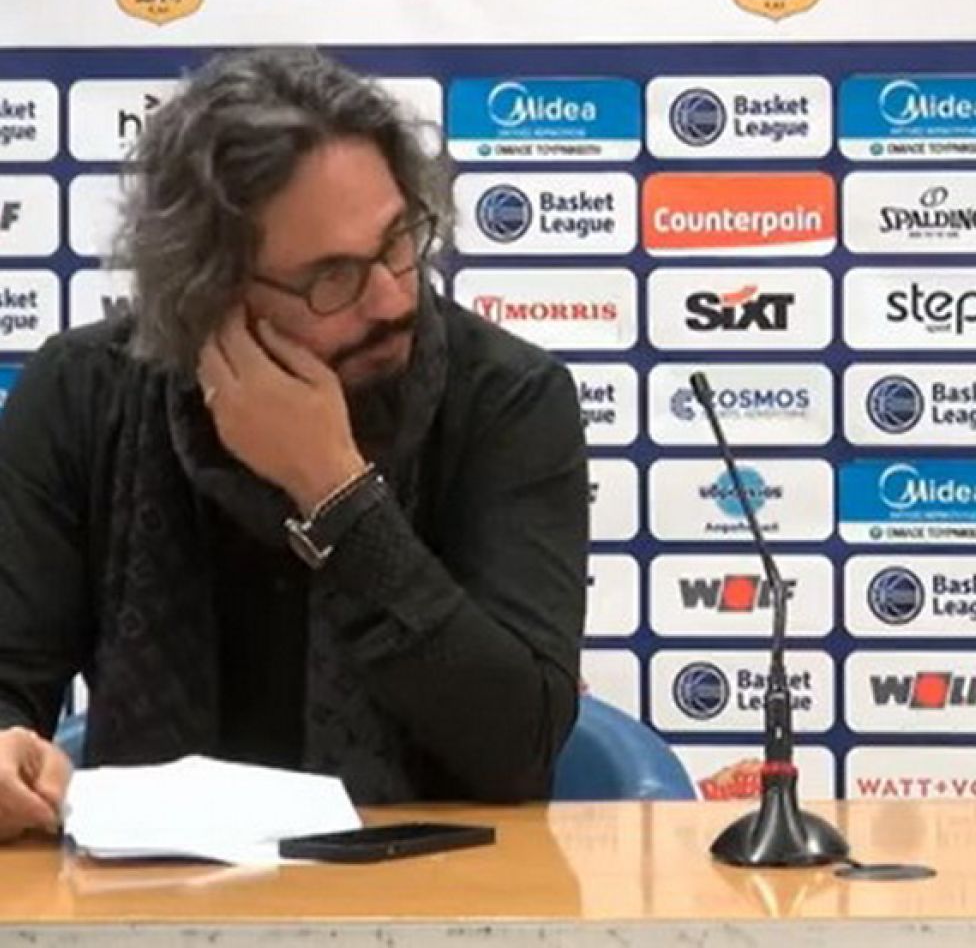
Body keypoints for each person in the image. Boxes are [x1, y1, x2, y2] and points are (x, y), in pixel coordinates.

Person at [0, 47, 588, 841]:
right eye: (332, 278)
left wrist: (338, 495)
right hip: (147, 889)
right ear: (210, 290)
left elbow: (520, 747)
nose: (391, 299)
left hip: (440, 886)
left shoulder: (508, 398)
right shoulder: (82, 393)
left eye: (398, 241)